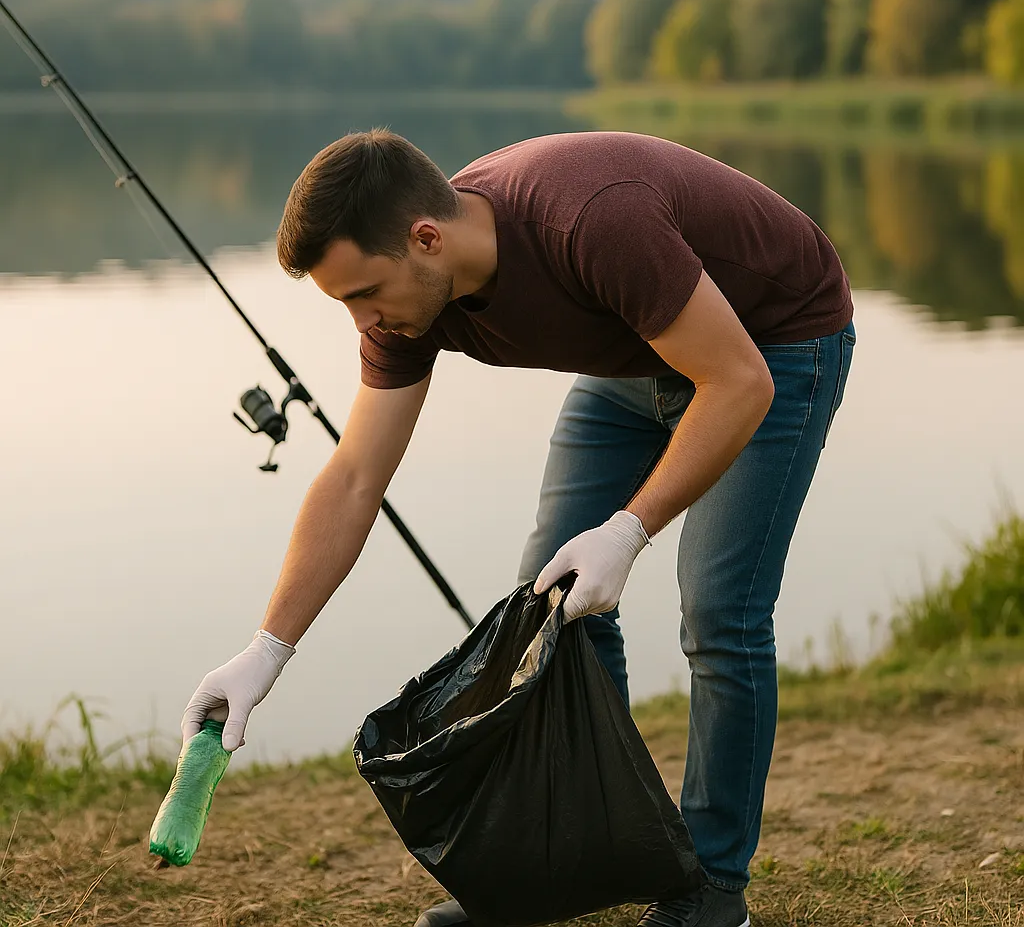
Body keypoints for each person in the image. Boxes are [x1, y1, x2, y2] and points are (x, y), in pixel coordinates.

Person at [181, 128, 855, 927]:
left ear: (426, 239)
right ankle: (584, 863)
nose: (364, 320)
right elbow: (356, 476)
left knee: (720, 613)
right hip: (636, 359)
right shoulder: (407, 304)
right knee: (552, 604)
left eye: (365, 293)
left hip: (774, 343)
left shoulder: (591, 220)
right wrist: (267, 651)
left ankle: (711, 892)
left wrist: (629, 530)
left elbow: (737, 382)